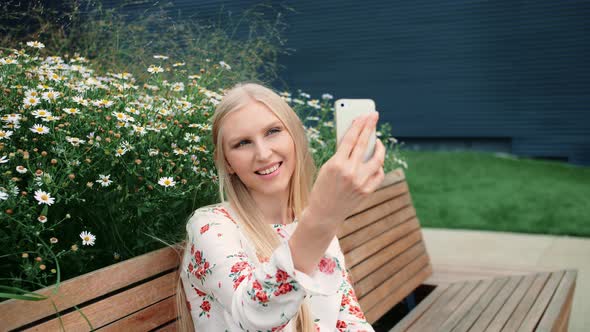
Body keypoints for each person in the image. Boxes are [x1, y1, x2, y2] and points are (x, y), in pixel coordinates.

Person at [175, 82, 386, 331]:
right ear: (227, 162)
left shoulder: (310, 224)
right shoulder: (210, 226)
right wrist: (322, 215)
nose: (263, 153)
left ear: (295, 136)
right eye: (242, 143)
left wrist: (320, 219)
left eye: (273, 131)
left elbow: (348, 319)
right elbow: (254, 314)